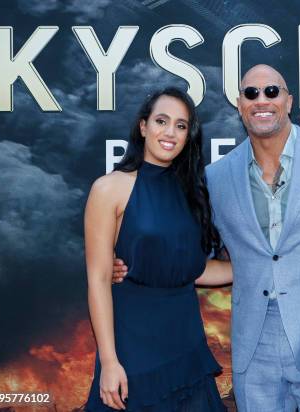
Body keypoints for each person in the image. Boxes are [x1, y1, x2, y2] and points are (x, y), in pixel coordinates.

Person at [114, 65, 300, 411]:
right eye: (251, 93)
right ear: (240, 105)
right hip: (254, 348)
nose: (261, 100)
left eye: (272, 91)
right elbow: (181, 247)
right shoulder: (217, 177)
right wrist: (130, 263)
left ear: (289, 101)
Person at [84, 87, 231, 411]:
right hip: (131, 345)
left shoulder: (192, 192)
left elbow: (192, 269)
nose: (170, 132)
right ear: (143, 126)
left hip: (185, 342)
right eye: (162, 121)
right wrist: (109, 362)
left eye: (181, 125)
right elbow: (97, 280)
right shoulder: (109, 188)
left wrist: (263, 264)